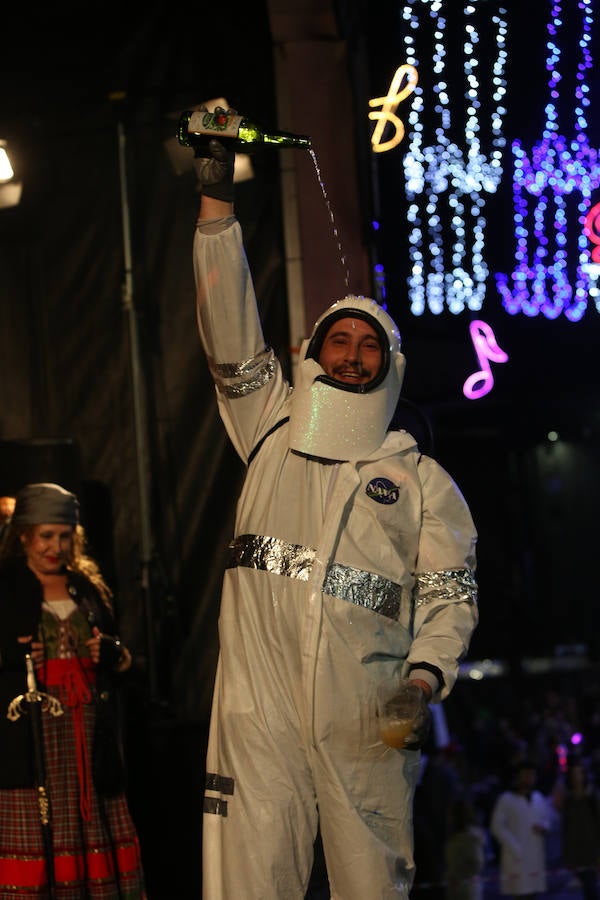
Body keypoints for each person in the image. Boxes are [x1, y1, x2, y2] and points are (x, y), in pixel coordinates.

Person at [192, 130, 479, 899]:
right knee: (248, 884)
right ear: (310, 351)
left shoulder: (421, 481)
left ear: (390, 366)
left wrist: (421, 681)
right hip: (259, 709)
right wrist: (216, 196)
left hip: (366, 719)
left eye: (368, 346)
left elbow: (451, 596)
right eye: (338, 341)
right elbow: (227, 329)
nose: (351, 355)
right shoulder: (268, 426)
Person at [0, 482, 146, 898]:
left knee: (91, 828)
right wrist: (12, 657)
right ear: (24, 534)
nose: (55, 546)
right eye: (46, 536)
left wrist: (114, 654)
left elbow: (122, 660)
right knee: (38, 836)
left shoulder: (86, 588)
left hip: (87, 736)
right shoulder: (6, 588)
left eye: (64, 537)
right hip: (34, 742)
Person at [490, 759, 551, 900]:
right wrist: (514, 845)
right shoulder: (506, 799)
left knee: (532, 893)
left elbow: (546, 818)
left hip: (535, 856)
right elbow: (496, 826)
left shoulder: (538, 798)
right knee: (520, 894)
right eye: (526, 775)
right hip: (517, 858)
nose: (530, 778)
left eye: (532, 775)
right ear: (517, 777)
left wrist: (544, 826)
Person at [552, 756, 600, 900]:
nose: (577, 778)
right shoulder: (569, 801)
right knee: (588, 889)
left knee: (590, 888)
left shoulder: (592, 798)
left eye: (579, 773)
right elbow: (566, 827)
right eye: (574, 774)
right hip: (576, 853)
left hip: (592, 852)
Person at [444, 796, 487, 900]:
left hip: (466, 891)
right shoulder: (457, 836)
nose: (447, 817)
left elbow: (477, 862)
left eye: (450, 814)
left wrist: (460, 877)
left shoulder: (469, 838)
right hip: (459, 889)